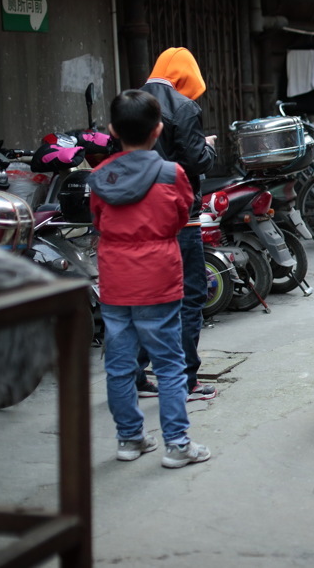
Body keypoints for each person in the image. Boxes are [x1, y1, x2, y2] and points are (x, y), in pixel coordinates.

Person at [89, 90, 211, 468]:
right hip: (158, 276)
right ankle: (176, 444)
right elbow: (181, 216)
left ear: (112, 130)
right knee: (170, 362)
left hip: (114, 279)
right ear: (158, 130)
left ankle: (130, 440)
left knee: (120, 363)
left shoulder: (98, 176)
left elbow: (97, 223)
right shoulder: (170, 173)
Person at [135, 47, 218, 401]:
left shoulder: (133, 101)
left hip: (139, 218)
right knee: (189, 295)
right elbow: (196, 160)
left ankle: (134, 376)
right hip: (178, 219)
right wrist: (210, 147)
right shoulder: (183, 107)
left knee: (145, 297)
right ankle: (186, 380)